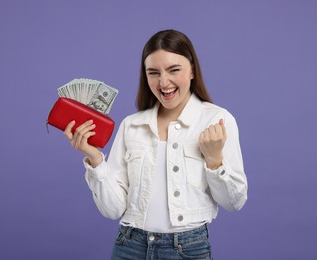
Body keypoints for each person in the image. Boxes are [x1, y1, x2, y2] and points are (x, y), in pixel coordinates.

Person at [64, 29, 248, 260]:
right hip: (129, 246)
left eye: (174, 70)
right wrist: (95, 159)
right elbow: (112, 210)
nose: (163, 82)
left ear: (192, 70)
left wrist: (214, 161)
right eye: (153, 73)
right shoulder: (131, 126)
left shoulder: (217, 121)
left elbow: (234, 203)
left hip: (187, 249)